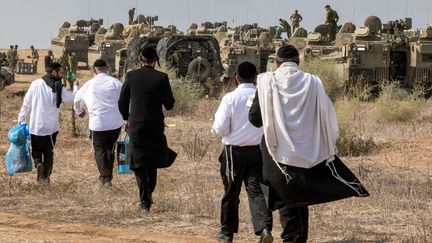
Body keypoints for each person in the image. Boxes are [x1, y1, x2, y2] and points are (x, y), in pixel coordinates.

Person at [249, 45, 339, 243]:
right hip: (308, 151)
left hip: (277, 152)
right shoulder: (313, 82)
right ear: (298, 63)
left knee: (285, 200)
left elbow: (255, 119)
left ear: (276, 62)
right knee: (300, 201)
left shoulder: (266, 81)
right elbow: (326, 114)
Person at [212, 62, 273, 243]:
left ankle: (227, 233)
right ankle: (264, 229)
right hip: (258, 151)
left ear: (236, 77)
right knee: (256, 191)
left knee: (231, 192)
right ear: (256, 77)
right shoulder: (262, 97)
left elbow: (220, 127)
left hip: (234, 152)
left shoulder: (230, 98)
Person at [118, 47, 176, 214]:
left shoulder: (131, 76)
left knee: (139, 161)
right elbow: (170, 104)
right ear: (156, 60)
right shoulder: (162, 77)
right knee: (152, 161)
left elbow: (122, 102)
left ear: (140, 60)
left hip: (136, 124)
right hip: (155, 125)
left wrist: (126, 117)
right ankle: (148, 194)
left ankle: (144, 201)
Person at [18, 62, 79, 184]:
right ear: (54, 72)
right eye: (61, 72)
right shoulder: (59, 88)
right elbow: (73, 100)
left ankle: (38, 164)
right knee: (48, 152)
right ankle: (46, 178)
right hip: (51, 128)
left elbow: (26, 104)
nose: (62, 75)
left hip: (36, 126)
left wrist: (22, 120)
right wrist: (76, 87)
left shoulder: (35, 84)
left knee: (36, 150)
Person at [74, 59, 124, 188]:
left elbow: (77, 99)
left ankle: (105, 177)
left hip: (98, 123)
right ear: (106, 68)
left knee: (99, 150)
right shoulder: (116, 82)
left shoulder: (89, 84)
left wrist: (79, 111)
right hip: (115, 123)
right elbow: (126, 99)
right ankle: (107, 176)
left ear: (93, 70)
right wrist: (127, 118)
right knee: (110, 149)